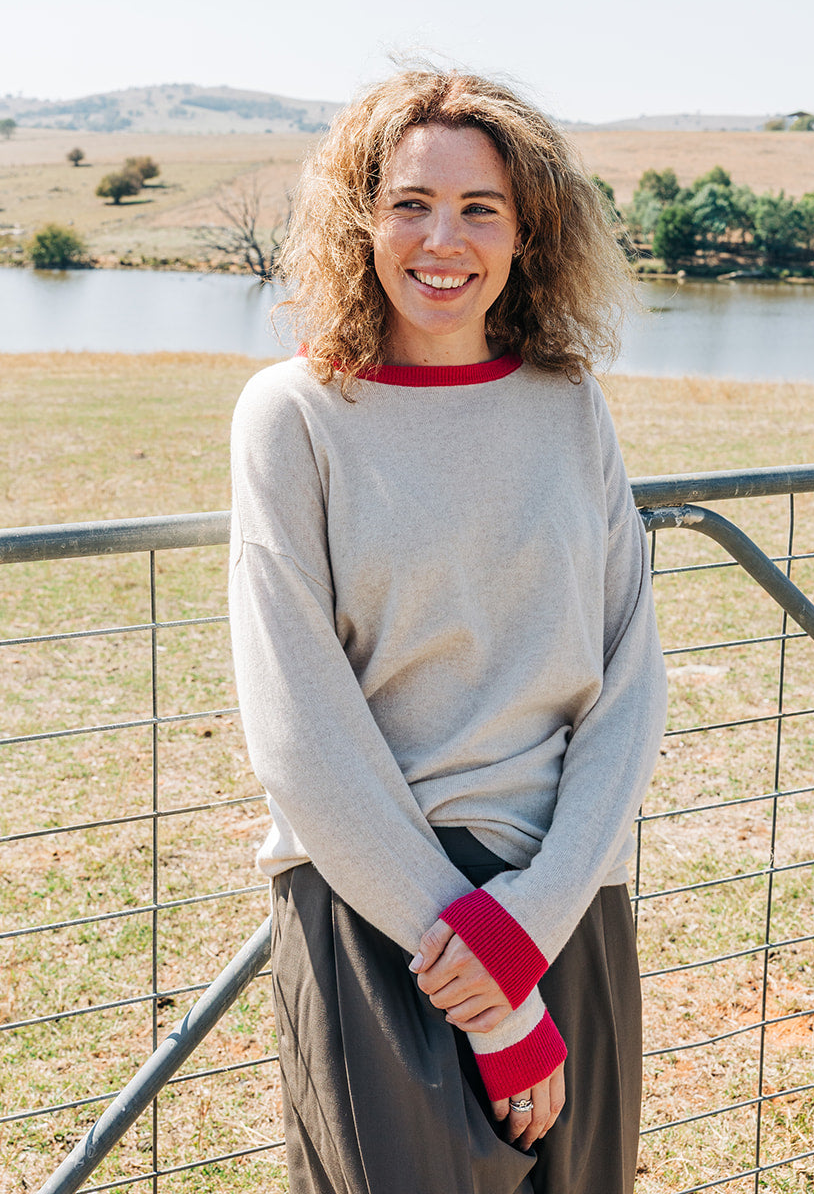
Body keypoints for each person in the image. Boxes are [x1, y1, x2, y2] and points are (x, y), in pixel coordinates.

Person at [228, 67, 667, 1194]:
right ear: (361, 217)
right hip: (377, 914)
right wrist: (479, 972)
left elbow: (629, 679)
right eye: (412, 201)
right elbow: (298, 730)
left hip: (567, 904)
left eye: (480, 208)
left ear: (528, 232)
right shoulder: (294, 416)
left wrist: (528, 932)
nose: (443, 238)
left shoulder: (572, 407)